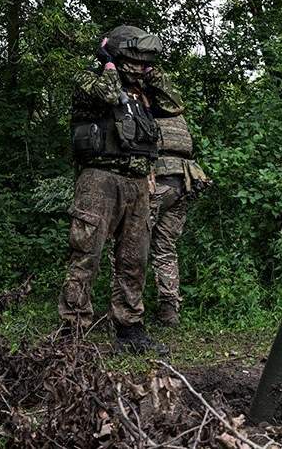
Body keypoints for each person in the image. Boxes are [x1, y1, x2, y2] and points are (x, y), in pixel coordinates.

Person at [58, 25, 182, 354]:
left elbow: (174, 105)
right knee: (86, 253)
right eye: (135, 61)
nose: (140, 68)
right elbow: (109, 95)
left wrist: (153, 74)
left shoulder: (143, 91)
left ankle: (130, 328)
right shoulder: (90, 79)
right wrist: (108, 63)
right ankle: (72, 330)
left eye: (145, 63)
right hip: (100, 179)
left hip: (138, 182)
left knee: (134, 259)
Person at [149, 111, 209, 326]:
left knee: (129, 244)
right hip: (183, 182)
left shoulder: (143, 109)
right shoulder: (176, 114)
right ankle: (169, 311)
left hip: (156, 183)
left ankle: (125, 311)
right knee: (165, 248)